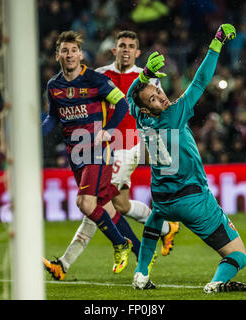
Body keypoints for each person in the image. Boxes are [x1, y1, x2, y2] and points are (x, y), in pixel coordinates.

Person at [43, 30, 179, 281]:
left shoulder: (145, 77)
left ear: (138, 52)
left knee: (94, 203)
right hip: (98, 145)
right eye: (121, 46)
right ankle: (163, 227)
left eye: (131, 46)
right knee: (119, 205)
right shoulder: (102, 74)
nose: (126, 50)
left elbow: (161, 109)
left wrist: (161, 144)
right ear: (114, 50)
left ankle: (66, 262)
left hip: (127, 144)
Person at [128, 24, 246, 293]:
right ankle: (217, 283)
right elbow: (200, 80)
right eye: (154, 98)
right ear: (149, 107)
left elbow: (130, 97)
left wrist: (144, 75)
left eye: (157, 90)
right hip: (193, 200)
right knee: (239, 256)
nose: (161, 96)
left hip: (162, 199)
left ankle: (140, 274)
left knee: (154, 219)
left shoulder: (139, 117)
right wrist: (216, 42)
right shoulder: (174, 114)